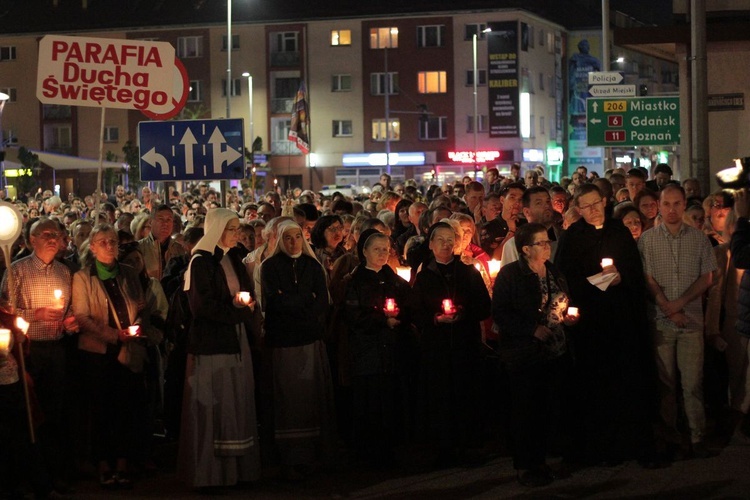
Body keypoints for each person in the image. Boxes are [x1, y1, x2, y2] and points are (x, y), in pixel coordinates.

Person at [556, 184, 660, 467]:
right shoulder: (572, 237)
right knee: (593, 385)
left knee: (626, 382)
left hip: (621, 321)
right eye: (585, 207)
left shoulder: (618, 231)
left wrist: (621, 277)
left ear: (604, 201)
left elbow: (634, 271)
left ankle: (633, 444)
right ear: (578, 209)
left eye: (595, 204)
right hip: (590, 324)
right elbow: (564, 277)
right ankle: (596, 449)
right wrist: (596, 283)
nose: (591, 211)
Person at [178, 208, 261, 492]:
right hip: (213, 344)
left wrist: (248, 305)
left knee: (236, 403)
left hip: (236, 338)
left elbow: (244, 292)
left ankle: (238, 470)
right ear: (216, 230)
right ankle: (211, 473)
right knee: (215, 406)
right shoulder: (201, 262)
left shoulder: (233, 258)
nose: (237, 234)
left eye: (238, 228)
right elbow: (201, 307)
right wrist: (238, 312)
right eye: (231, 228)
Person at [493, 223, 577, 487]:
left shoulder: (553, 271)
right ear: (526, 249)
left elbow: (563, 301)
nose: (547, 246)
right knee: (526, 410)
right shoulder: (511, 275)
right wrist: (531, 329)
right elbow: (501, 313)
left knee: (547, 409)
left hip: (555, 351)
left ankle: (541, 461)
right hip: (525, 354)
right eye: (541, 243)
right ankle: (525, 465)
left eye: (548, 242)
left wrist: (569, 317)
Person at [639, 184, 717, 459]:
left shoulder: (699, 239)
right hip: (661, 322)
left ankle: (697, 436)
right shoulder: (647, 241)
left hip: (691, 322)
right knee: (666, 384)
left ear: (684, 205)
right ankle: (670, 436)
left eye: (676, 204)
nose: (671, 209)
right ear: (659, 206)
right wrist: (667, 307)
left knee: (693, 383)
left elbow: (707, 277)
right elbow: (647, 279)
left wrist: (678, 305)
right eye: (666, 204)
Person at [1, 218, 79, 494]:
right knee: (30, 413)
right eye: (45, 234)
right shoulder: (17, 271)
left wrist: (70, 323)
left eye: (56, 234)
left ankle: (54, 472)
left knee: (55, 412)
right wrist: (36, 314)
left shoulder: (64, 272)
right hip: (28, 351)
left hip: (56, 349)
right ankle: (28, 474)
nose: (52, 239)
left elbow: (68, 310)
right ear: (31, 240)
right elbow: (5, 312)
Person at [71, 225, 147, 489]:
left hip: (127, 351)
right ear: (92, 247)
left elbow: (139, 305)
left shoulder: (128, 273)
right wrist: (115, 335)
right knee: (101, 409)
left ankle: (123, 462)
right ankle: (103, 463)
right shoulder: (83, 277)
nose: (109, 246)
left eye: (113, 241)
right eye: (103, 242)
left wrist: (136, 326)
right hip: (98, 353)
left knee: (124, 408)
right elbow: (82, 317)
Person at [409, 222, 491, 466]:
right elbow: (414, 312)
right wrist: (435, 318)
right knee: (440, 397)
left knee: (466, 395)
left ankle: (468, 446)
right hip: (437, 348)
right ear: (431, 244)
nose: (446, 245)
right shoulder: (424, 277)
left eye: (450, 240)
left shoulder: (468, 273)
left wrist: (463, 313)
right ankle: (443, 449)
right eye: (440, 240)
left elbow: (484, 307)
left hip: (465, 345)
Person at [260, 221, 334, 481]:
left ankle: (313, 456)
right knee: (287, 401)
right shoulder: (269, 266)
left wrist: (295, 302)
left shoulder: (312, 266)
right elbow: (274, 301)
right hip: (283, 342)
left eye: (297, 237)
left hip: (309, 340)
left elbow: (322, 301)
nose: (293, 243)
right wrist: (304, 300)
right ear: (280, 240)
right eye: (288, 238)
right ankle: (288, 458)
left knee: (310, 399)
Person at [343, 230, 412, 466]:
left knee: (389, 399)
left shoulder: (392, 278)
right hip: (367, 350)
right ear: (364, 251)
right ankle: (367, 452)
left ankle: (389, 448)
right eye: (377, 249)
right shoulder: (355, 280)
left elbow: (408, 302)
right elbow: (353, 316)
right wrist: (382, 320)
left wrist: (400, 316)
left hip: (391, 350)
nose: (382, 254)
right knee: (368, 400)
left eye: (386, 249)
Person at [138, 204, 186, 281]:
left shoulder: (179, 249)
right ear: (151, 222)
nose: (165, 224)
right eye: (161, 219)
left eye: (169, 220)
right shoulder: (140, 248)